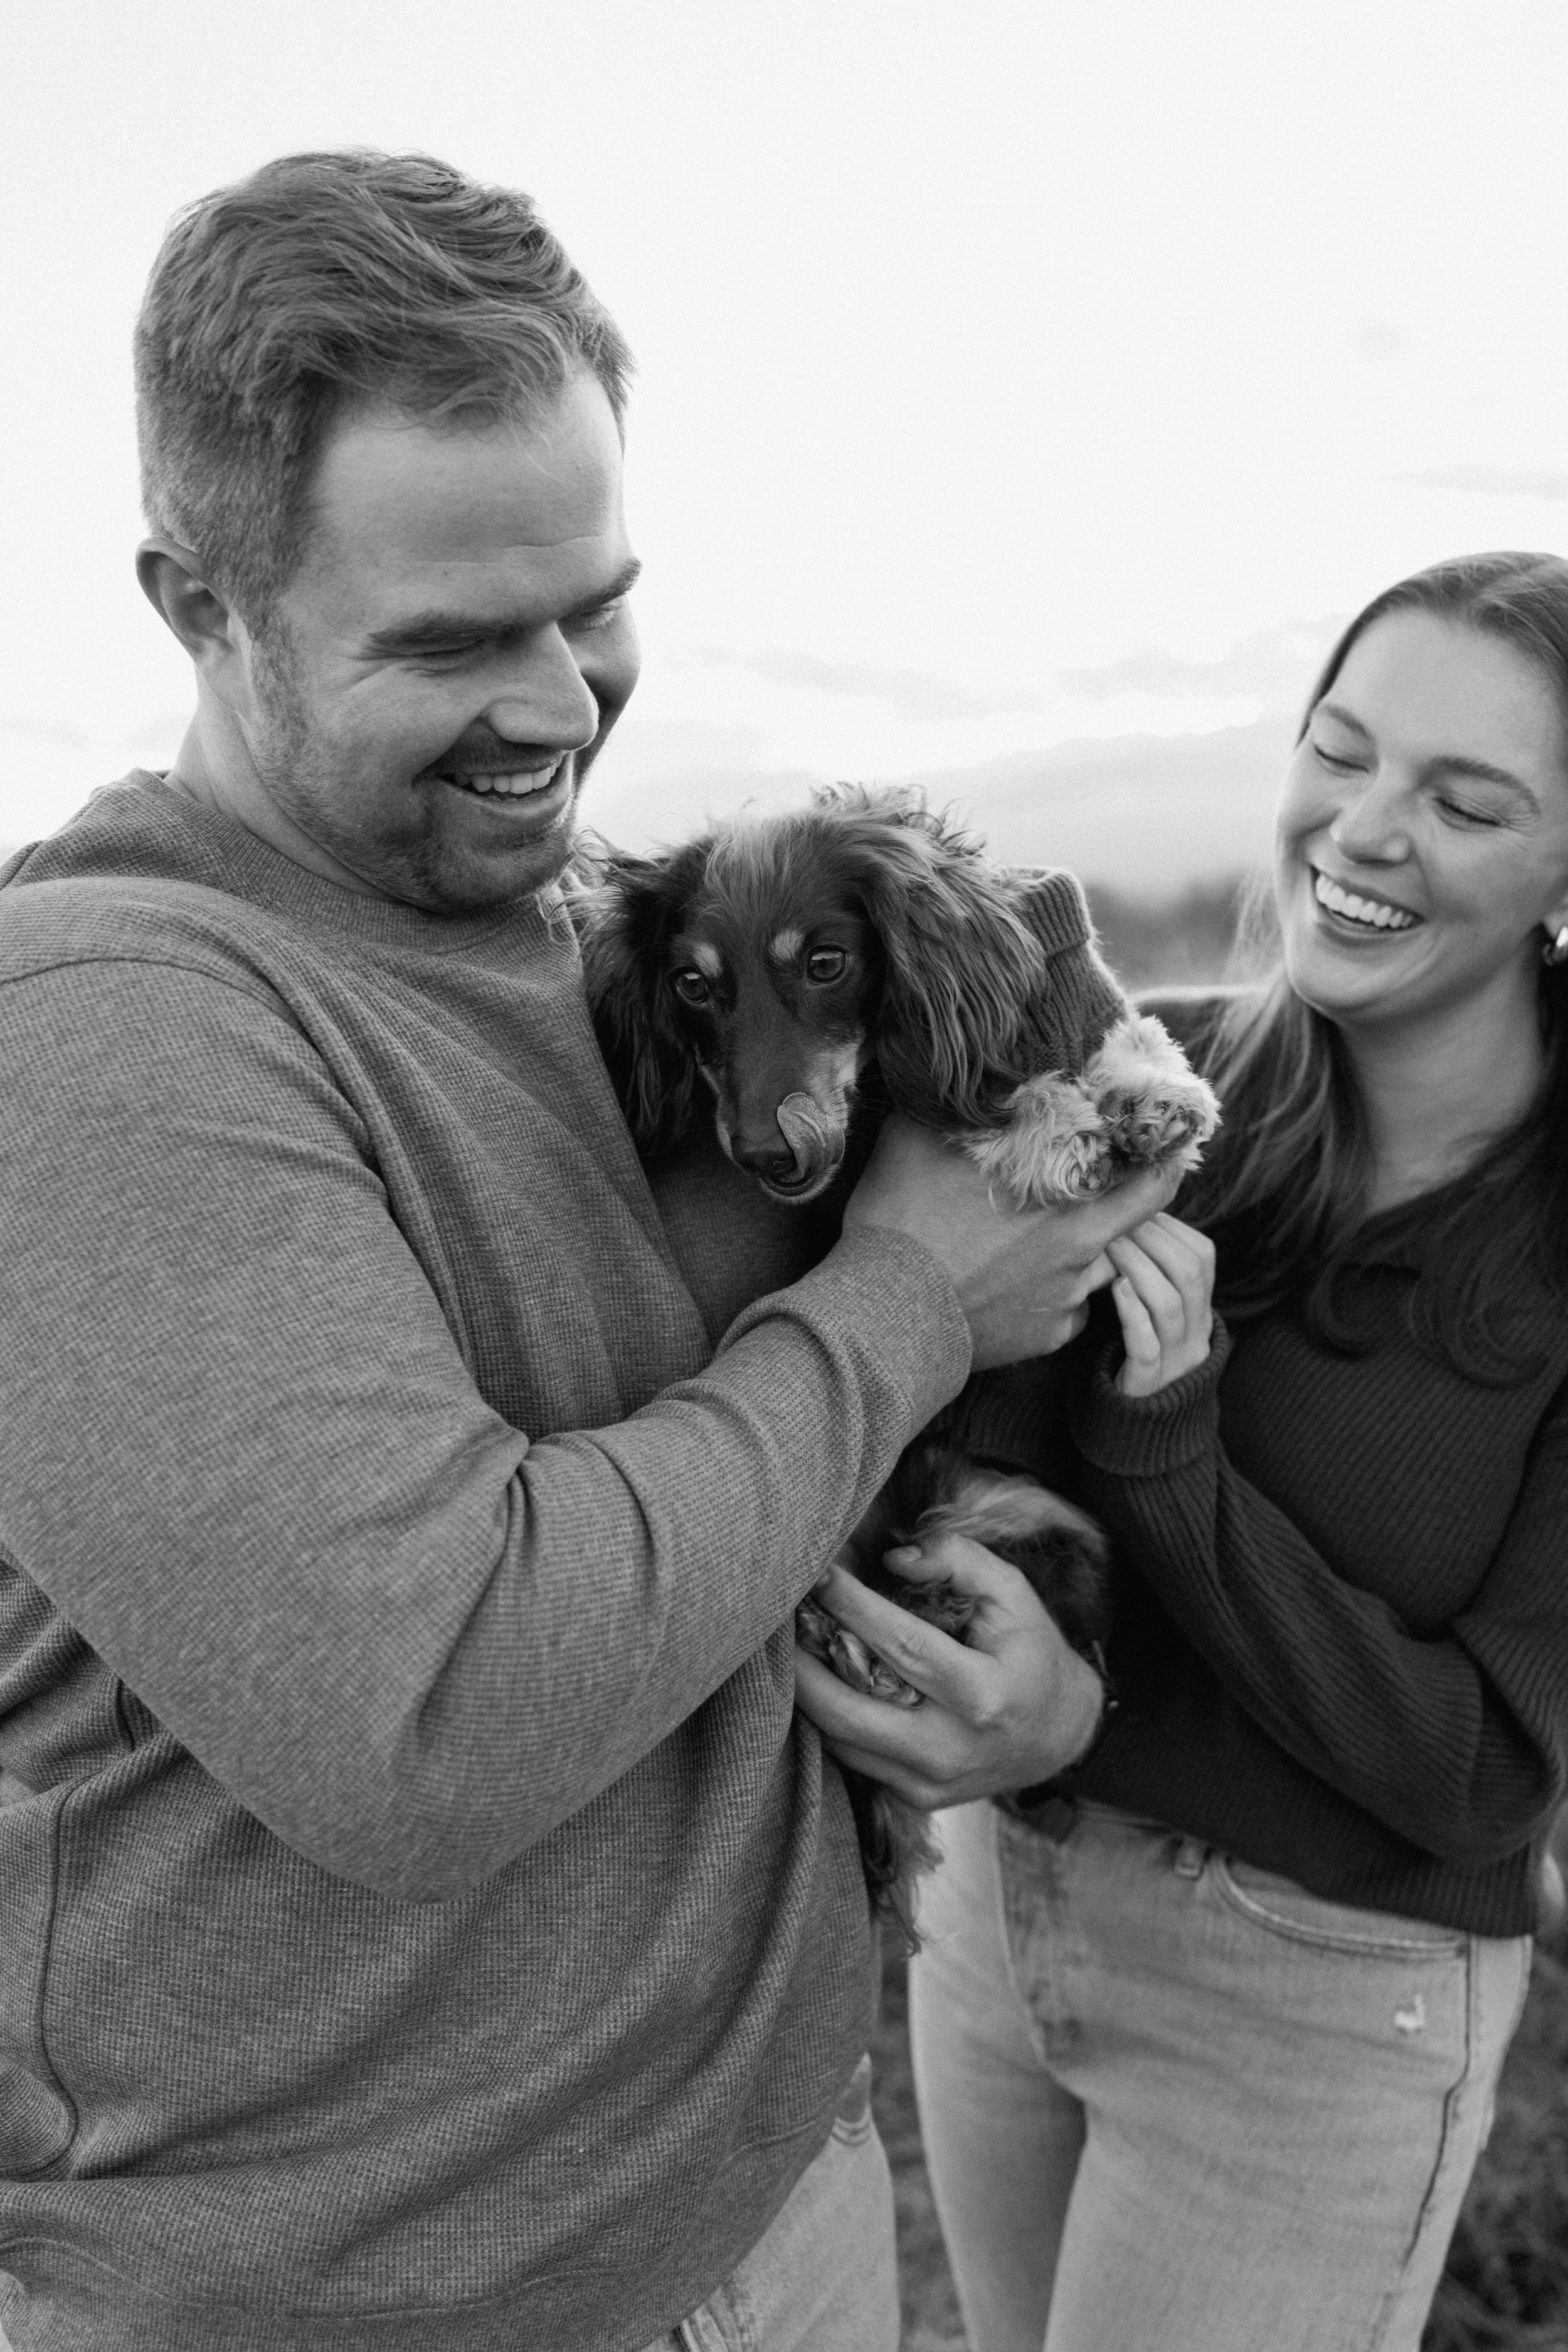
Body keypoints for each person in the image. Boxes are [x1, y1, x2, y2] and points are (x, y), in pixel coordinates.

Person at [0, 150, 1171, 2352]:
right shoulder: (99, 1028)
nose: (556, 705)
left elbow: (706, 1498)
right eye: (449, 640)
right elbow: (430, 1714)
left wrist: (1021, 1705)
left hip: (771, 2188)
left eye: (590, 603)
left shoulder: (594, 944)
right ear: (197, 603)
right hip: (377, 2299)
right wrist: (910, 1298)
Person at [795, 551, 1568, 2352]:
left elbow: (1481, 1779)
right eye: (1343, 750)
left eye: (1463, 801)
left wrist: (1165, 1454)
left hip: (1317, 2006)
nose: (1363, 828)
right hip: (1002, 1915)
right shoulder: (1148, 1097)